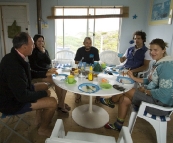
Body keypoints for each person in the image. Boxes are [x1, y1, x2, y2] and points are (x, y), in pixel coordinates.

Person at [100, 38, 173, 131]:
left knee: (125, 89)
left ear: (163, 50)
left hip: (160, 106)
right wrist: (133, 78)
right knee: (124, 99)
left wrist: (146, 91)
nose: (152, 52)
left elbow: (164, 93)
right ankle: (118, 125)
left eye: (156, 50)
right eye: (151, 50)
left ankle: (111, 100)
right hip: (156, 99)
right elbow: (150, 81)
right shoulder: (159, 63)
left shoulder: (166, 66)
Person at [0, 32, 58, 137]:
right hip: (11, 102)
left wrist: (46, 72)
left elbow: (29, 73)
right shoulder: (13, 66)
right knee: (52, 101)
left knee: (44, 85)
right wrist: (44, 93)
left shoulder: (15, 56)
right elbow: (23, 96)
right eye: (32, 44)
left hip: (17, 91)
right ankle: (43, 129)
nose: (34, 46)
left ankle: (38, 117)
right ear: (24, 47)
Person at [28, 34, 70, 113]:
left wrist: (43, 52)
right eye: (39, 41)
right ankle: (61, 104)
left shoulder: (44, 50)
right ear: (35, 42)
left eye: (42, 41)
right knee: (57, 82)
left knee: (63, 81)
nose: (41, 43)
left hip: (47, 72)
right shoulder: (32, 52)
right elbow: (34, 67)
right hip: (38, 74)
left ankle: (61, 103)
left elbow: (48, 61)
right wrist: (46, 71)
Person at [74, 37, 100, 102]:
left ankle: (98, 96)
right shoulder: (79, 50)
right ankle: (78, 95)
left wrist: (92, 67)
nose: (88, 45)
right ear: (84, 43)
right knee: (78, 78)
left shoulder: (95, 50)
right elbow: (76, 61)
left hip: (92, 68)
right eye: (87, 43)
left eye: (90, 43)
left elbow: (97, 62)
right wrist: (83, 63)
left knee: (98, 78)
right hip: (82, 68)